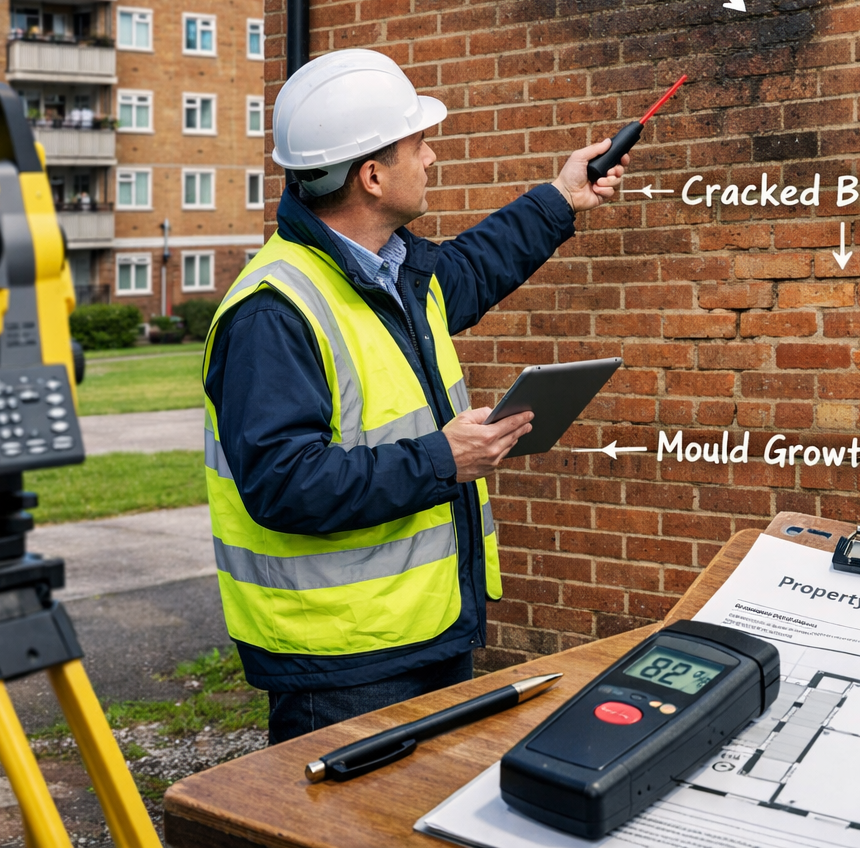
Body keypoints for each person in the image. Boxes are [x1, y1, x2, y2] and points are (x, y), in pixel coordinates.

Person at [201, 48, 628, 743]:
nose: (432, 158)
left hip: (422, 633)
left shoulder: (398, 274)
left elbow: (475, 265)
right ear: (372, 175)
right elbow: (282, 484)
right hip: (342, 664)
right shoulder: (272, 312)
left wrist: (562, 197)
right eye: (418, 144)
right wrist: (442, 459)